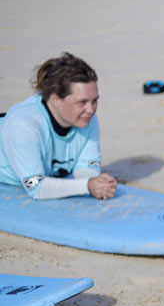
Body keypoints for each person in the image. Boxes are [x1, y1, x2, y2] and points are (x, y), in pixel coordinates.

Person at [0, 53, 117, 200]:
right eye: (82, 102)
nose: (91, 109)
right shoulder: (23, 126)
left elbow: (85, 169)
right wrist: (86, 186)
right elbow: (37, 188)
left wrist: (96, 183)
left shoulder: (86, 117)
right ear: (55, 99)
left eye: (95, 101)